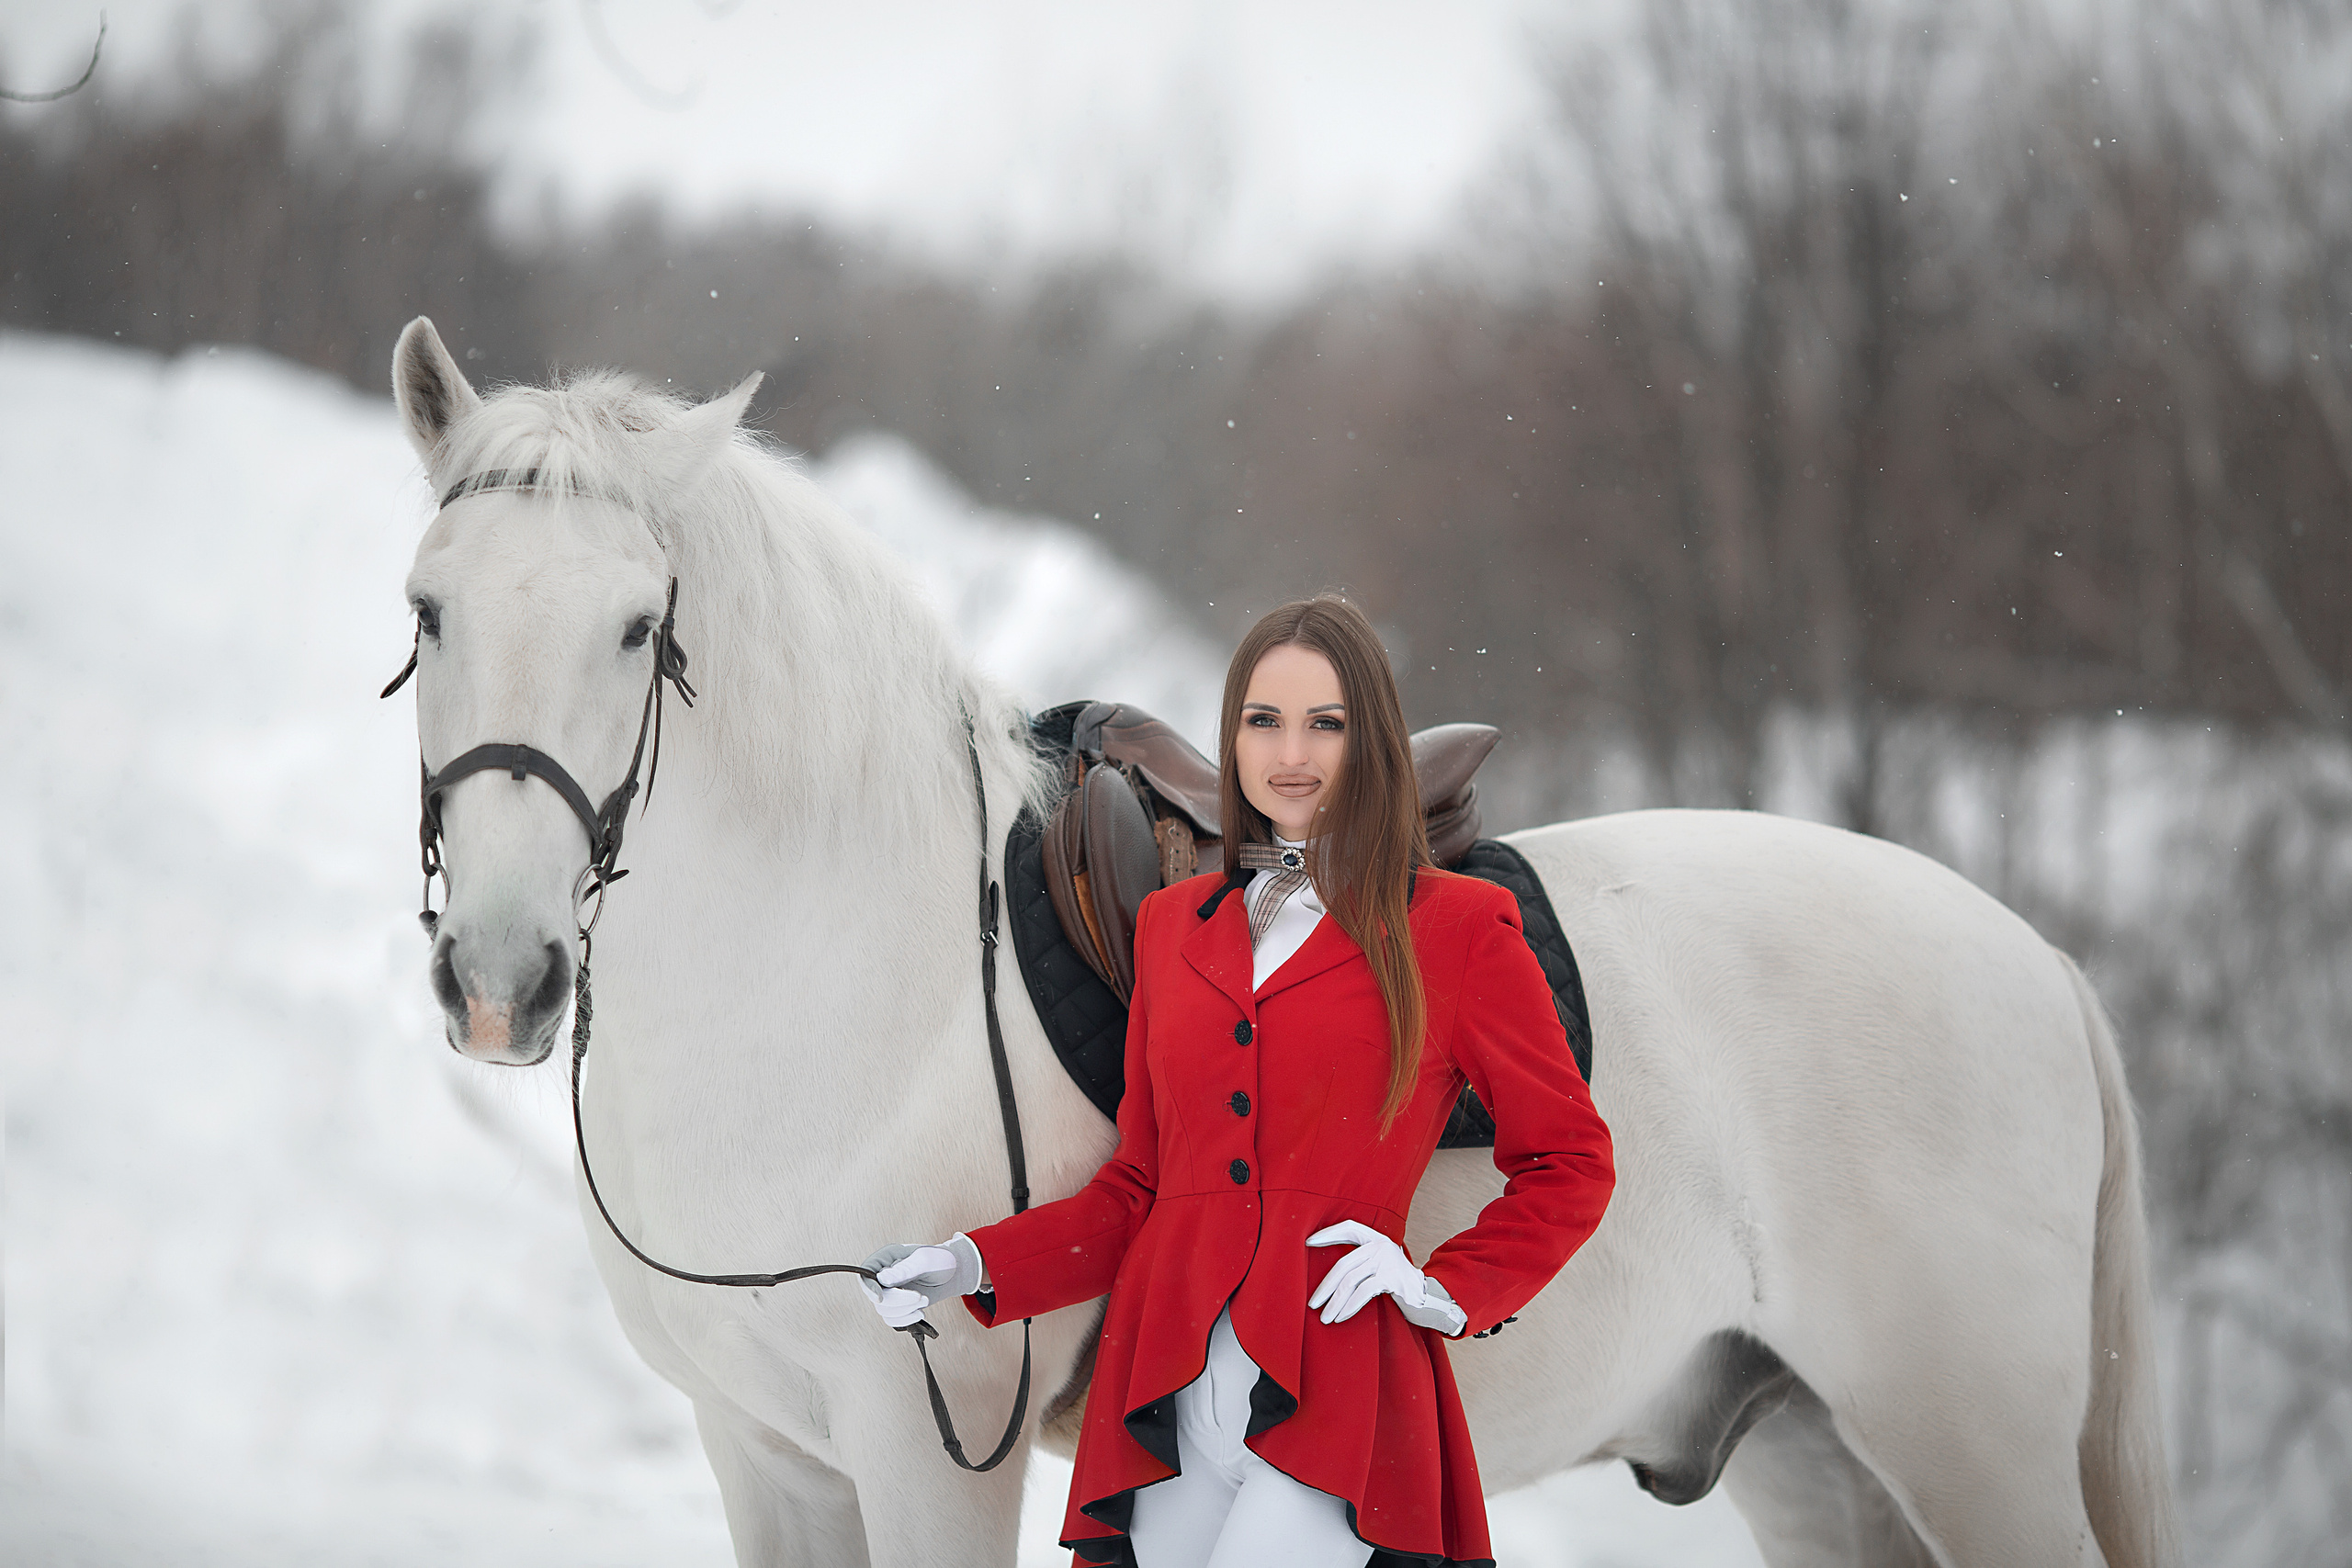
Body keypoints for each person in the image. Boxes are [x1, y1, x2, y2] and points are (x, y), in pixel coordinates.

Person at [863, 596, 1614, 1567]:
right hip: (1161, 1392)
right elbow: (1137, 1192)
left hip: (1336, 1388)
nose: (1290, 752)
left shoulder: (1458, 927)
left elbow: (1571, 1160)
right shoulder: (1175, 927)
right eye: (1264, 720)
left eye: (1325, 723)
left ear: (1374, 741)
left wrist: (1448, 1288)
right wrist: (972, 1263)